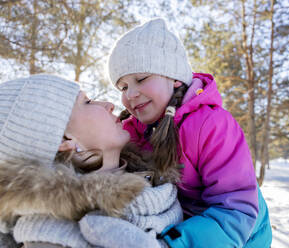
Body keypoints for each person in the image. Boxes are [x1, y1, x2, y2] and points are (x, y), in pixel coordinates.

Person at [107, 18, 272, 247]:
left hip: (242, 234)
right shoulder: (130, 131)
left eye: (141, 79)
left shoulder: (211, 125)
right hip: (186, 227)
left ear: (174, 79)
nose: (130, 94)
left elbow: (235, 210)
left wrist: (174, 243)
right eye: (123, 87)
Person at [0, 74, 183, 248]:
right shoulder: (47, 240)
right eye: (87, 102)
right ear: (64, 140)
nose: (110, 104)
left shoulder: (161, 183)